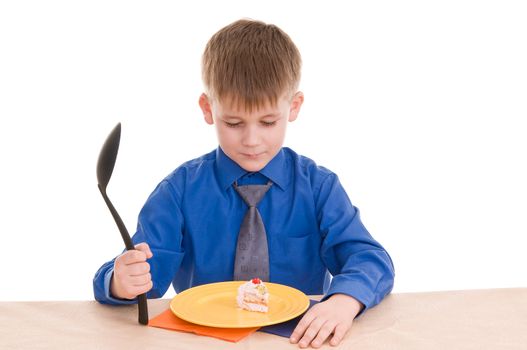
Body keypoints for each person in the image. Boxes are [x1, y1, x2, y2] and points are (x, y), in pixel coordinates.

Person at [94, 19, 395, 348]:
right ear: (208, 109)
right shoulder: (178, 192)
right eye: (234, 123)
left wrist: (344, 300)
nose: (252, 140)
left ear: (293, 107)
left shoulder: (318, 187)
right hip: (205, 340)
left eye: (268, 122)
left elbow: (369, 258)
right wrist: (120, 282)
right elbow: (143, 275)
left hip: (298, 340)